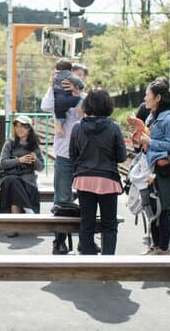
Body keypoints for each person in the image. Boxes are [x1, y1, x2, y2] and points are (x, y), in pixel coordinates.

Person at [69, 89, 127, 255]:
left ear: (87, 105)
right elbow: (122, 157)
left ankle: (89, 260)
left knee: (87, 223)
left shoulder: (77, 127)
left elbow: (73, 156)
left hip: (84, 180)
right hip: (108, 180)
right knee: (109, 224)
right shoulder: (114, 127)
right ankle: (108, 262)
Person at [41, 63, 87, 255]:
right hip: (64, 154)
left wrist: (77, 95)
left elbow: (87, 111)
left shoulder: (85, 98)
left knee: (87, 199)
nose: (70, 83)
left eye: (78, 78)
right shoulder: (56, 92)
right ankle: (59, 241)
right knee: (61, 198)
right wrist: (52, 85)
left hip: (85, 154)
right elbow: (45, 107)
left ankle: (85, 241)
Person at [135, 80, 170, 255]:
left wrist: (150, 142)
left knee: (163, 208)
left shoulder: (169, 118)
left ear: (158, 97)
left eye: (148, 95)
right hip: (150, 167)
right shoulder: (152, 116)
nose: (145, 98)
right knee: (152, 206)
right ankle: (154, 245)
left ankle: (163, 247)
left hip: (161, 169)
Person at [0, 115, 44, 216]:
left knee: (15, 193)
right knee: (13, 181)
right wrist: (19, 160)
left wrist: (35, 160)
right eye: (17, 126)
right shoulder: (10, 143)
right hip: (10, 177)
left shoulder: (34, 145)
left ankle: (17, 226)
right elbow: (3, 163)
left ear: (29, 129)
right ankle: (27, 208)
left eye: (23, 126)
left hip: (28, 180)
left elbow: (41, 168)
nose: (19, 129)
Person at [52, 59, 85, 137]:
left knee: (60, 114)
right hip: (66, 98)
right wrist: (80, 87)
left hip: (56, 99)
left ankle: (58, 127)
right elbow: (79, 82)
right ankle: (83, 117)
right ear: (70, 69)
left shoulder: (54, 77)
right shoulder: (69, 75)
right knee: (80, 101)